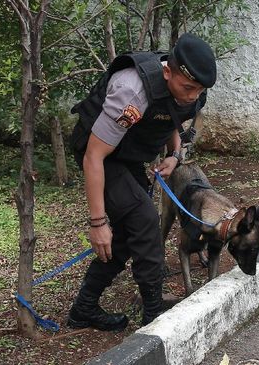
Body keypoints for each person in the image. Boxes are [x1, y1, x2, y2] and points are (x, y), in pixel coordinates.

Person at [66, 33, 216, 330]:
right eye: (188, 88)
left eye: (198, 91)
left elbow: (175, 115)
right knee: (146, 221)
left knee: (127, 232)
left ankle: (83, 309)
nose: (192, 96)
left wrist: (175, 154)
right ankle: (153, 317)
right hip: (100, 154)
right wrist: (97, 223)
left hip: (127, 155)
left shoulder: (191, 90)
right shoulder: (132, 91)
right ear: (167, 72)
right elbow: (93, 157)